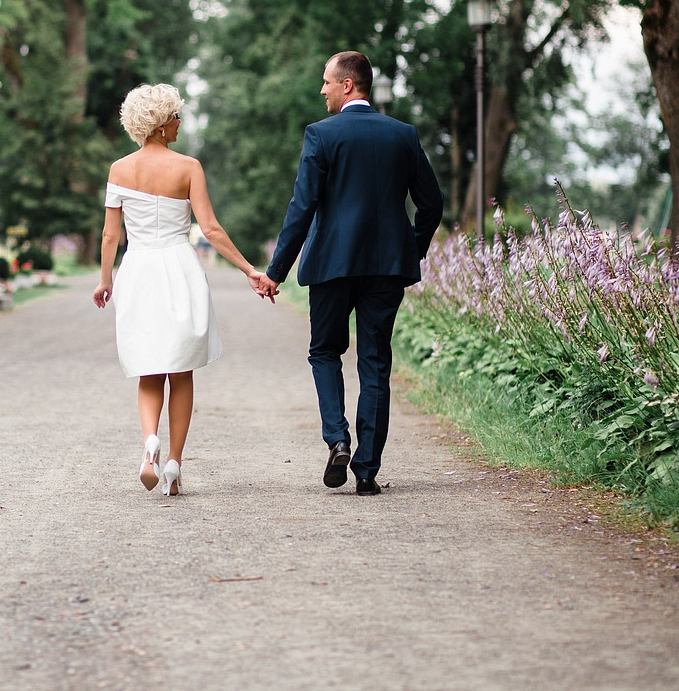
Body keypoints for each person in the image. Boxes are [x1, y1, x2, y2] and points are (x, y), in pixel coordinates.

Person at [255, 51, 443, 495]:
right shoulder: (403, 135)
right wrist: (408, 252)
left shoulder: (321, 135)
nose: (321, 89)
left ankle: (337, 438)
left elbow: (302, 208)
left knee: (324, 352)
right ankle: (366, 470)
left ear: (347, 85)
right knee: (375, 362)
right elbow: (432, 204)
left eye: (326, 82)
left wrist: (276, 271)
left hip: (331, 266)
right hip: (386, 269)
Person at [93, 83, 269, 496]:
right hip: (179, 268)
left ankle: (149, 442)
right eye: (174, 116)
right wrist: (248, 269)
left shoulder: (119, 169)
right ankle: (173, 463)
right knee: (181, 370)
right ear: (158, 124)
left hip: (138, 270)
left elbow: (108, 235)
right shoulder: (189, 167)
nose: (178, 123)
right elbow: (210, 229)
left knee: (149, 366)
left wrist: (106, 280)